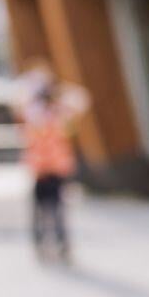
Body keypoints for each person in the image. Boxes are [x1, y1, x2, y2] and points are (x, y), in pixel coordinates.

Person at [13, 59, 91, 262]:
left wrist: (56, 90)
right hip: (40, 169)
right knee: (41, 210)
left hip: (56, 168)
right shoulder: (33, 114)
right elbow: (19, 102)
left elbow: (80, 99)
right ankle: (42, 244)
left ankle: (60, 245)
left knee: (57, 209)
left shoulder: (58, 114)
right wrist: (33, 89)